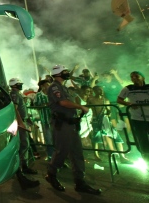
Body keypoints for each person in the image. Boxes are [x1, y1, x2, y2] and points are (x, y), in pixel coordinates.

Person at [45, 65, 101, 195]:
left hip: (70, 124)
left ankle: (80, 182)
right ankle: (51, 175)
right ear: (57, 74)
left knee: (77, 152)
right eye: (64, 72)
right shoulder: (54, 87)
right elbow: (63, 103)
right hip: (62, 124)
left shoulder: (62, 86)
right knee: (62, 151)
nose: (67, 73)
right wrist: (81, 107)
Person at [89, 86, 132, 164]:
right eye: (98, 89)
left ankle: (122, 156)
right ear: (94, 91)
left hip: (105, 120)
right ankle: (96, 155)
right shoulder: (91, 100)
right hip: (96, 120)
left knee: (116, 136)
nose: (100, 91)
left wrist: (108, 113)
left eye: (101, 89)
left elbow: (108, 111)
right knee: (96, 138)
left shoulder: (106, 100)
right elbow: (87, 109)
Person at [117, 71, 149, 163]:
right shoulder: (128, 88)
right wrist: (128, 103)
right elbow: (119, 100)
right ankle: (146, 160)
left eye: (136, 76)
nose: (134, 78)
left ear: (142, 77)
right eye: (132, 77)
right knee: (142, 139)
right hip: (137, 118)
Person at [8, 78, 38, 175]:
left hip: (22, 121)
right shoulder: (14, 94)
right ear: (15, 85)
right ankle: (21, 167)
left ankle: (22, 166)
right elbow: (15, 109)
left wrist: (27, 119)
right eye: (19, 84)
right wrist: (21, 123)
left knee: (25, 144)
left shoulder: (17, 94)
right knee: (24, 144)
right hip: (20, 123)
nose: (21, 85)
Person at [33, 79, 54, 161]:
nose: (49, 86)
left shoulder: (52, 94)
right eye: (47, 84)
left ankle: (58, 156)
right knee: (48, 139)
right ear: (42, 86)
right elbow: (35, 106)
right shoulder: (38, 95)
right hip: (45, 120)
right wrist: (45, 105)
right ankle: (50, 156)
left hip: (55, 120)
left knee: (56, 138)